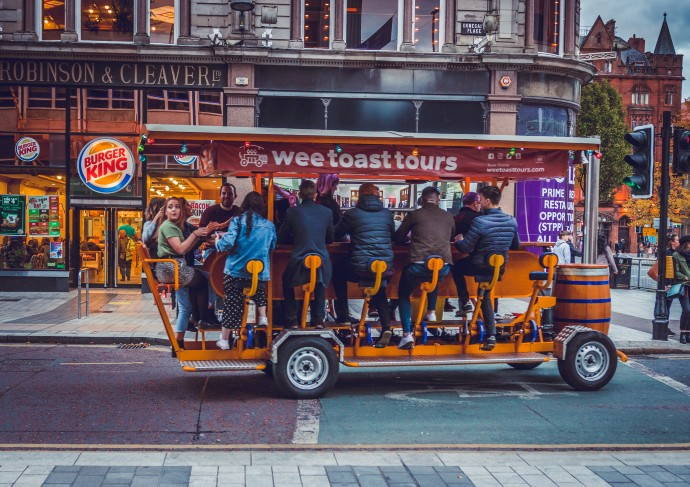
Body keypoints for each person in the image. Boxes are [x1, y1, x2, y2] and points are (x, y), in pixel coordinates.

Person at [454, 185, 520, 351]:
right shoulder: (512, 220)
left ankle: (464, 301)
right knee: (485, 298)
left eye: (481, 199)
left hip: (478, 266)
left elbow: (465, 248)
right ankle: (490, 335)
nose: (480, 202)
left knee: (456, 267)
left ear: (488, 201)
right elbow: (516, 246)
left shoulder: (479, 221)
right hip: (498, 267)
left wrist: (458, 241)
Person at [212, 192, 276, 350]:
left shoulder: (237, 221)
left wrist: (217, 241)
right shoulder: (269, 225)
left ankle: (225, 340)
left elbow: (226, 245)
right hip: (259, 274)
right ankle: (262, 317)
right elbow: (272, 246)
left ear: (244, 205)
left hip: (236, 272)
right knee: (259, 290)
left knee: (232, 305)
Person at [333, 183, 395, 347]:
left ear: (360, 196)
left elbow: (335, 234)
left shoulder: (352, 214)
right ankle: (386, 327)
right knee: (379, 288)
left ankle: (344, 318)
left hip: (360, 268)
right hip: (384, 267)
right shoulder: (388, 214)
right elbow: (393, 236)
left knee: (337, 273)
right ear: (377, 196)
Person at [393, 186, 455, 350]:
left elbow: (398, 238)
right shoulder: (449, 216)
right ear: (438, 200)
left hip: (418, 264)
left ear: (422, 200)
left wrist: (409, 239)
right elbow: (451, 235)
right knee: (433, 275)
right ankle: (431, 311)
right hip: (443, 266)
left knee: (403, 294)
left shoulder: (414, 215)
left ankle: (406, 335)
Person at [156, 197, 218, 351]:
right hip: (171, 267)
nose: (174, 209)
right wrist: (196, 233)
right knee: (204, 280)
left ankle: (179, 342)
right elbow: (181, 249)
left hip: (176, 266)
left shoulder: (176, 226)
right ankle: (203, 318)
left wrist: (199, 235)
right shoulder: (169, 226)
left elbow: (187, 247)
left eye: (177, 207)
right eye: (170, 207)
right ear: (166, 211)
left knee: (186, 306)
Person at [277, 179, 334, 329]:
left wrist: (295, 237)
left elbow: (281, 237)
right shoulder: (327, 212)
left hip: (298, 259)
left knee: (286, 280)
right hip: (322, 259)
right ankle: (319, 319)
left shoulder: (292, 212)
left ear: (300, 194)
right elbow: (330, 238)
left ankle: (292, 319)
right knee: (319, 282)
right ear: (315, 195)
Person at [451, 192, 481, 317]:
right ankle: (489, 308)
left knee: (456, 267)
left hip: (467, 259)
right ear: (475, 203)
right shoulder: (480, 219)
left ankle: (464, 301)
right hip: (491, 265)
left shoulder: (456, 218)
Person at [672, 235, 690, 344]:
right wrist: (685, 277)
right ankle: (683, 333)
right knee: (687, 309)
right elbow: (676, 271)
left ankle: (688, 333)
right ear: (686, 243)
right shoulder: (676, 255)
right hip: (684, 285)